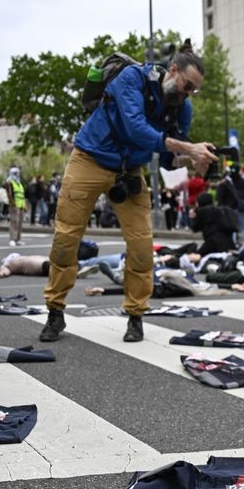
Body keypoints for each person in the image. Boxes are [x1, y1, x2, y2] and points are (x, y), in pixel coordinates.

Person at [39, 38, 216, 344]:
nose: (188, 95)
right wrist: (187, 147)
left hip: (130, 171)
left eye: (193, 91)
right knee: (67, 236)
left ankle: (136, 315)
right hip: (90, 159)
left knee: (141, 244)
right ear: (172, 70)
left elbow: (170, 158)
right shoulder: (131, 79)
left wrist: (195, 159)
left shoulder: (181, 109)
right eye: (187, 86)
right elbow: (136, 128)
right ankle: (55, 311)